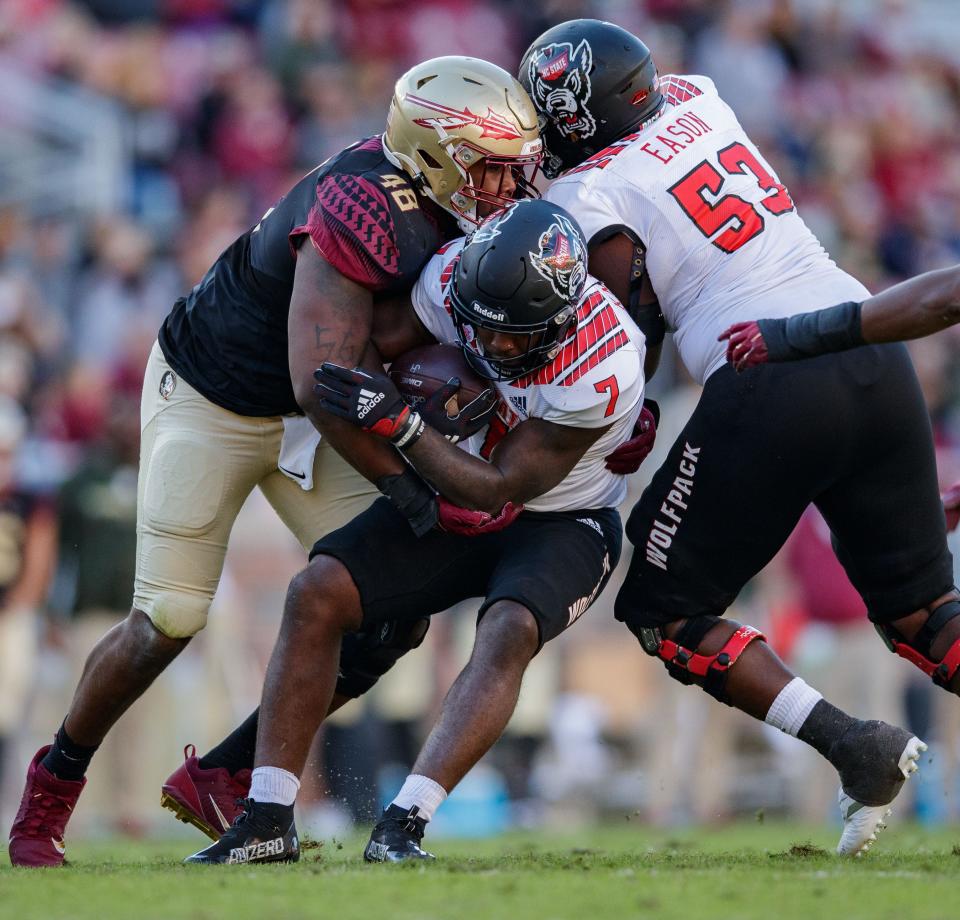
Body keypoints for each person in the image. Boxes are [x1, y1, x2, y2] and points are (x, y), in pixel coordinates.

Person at [7, 55, 545, 868]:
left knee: (388, 609)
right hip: (215, 399)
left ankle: (224, 773)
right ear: (435, 154)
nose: (510, 189)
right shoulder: (363, 203)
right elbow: (323, 380)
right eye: (494, 169)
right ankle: (51, 788)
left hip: (308, 414)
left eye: (517, 169)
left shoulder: (448, 203)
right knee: (169, 620)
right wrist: (410, 483)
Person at [518, 19, 947, 856]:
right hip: (869, 346)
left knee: (662, 610)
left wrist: (626, 411)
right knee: (926, 617)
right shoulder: (697, 97)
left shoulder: (581, 197)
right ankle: (858, 749)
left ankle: (854, 747)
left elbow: (624, 320)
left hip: (769, 372)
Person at [182, 198, 647, 864]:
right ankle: (266, 820)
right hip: (453, 485)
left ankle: (404, 822)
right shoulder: (454, 276)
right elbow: (380, 342)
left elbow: (500, 489)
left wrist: (402, 422)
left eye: (515, 337)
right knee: (317, 592)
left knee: (509, 628)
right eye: (482, 330)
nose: (493, 348)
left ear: (563, 320)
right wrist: (384, 384)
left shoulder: (605, 365)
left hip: (563, 516)